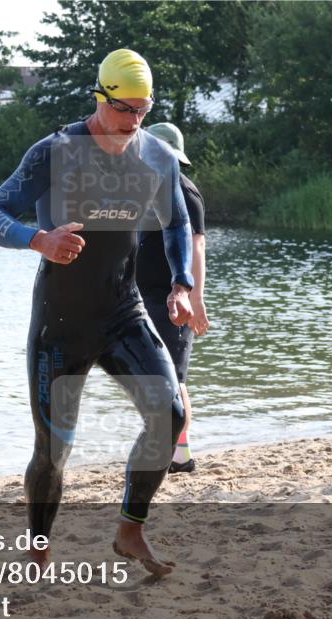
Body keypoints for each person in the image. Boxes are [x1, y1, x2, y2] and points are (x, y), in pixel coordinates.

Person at [0, 49, 194, 576]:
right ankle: (37, 546)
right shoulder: (56, 151)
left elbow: (177, 225)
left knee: (170, 414)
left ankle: (130, 528)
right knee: (53, 451)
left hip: (124, 313)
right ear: (100, 97)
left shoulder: (158, 156)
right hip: (60, 324)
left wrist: (183, 283)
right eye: (126, 110)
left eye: (144, 110)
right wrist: (40, 240)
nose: (134, 121)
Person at [139, 122, 209, 473]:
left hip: (173, 297)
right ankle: (168, 447)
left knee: (173, 379)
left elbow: (197, 246)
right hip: (141, 296)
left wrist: (195, 300)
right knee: (153, 377)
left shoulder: (184, 191)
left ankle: (179, 455)